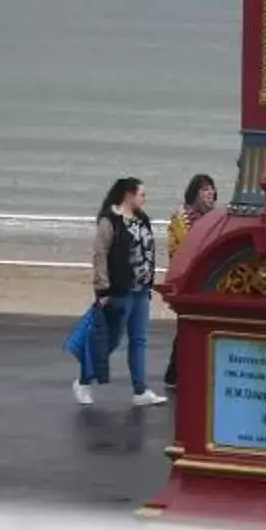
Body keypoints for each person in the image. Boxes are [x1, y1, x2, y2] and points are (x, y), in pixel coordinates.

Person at [77, 176, 165, 409]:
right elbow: (100, 255)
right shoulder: (110, 221)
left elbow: (147, 251)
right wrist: (102, 288)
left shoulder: (142, 220)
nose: (144, 198)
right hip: (119, 291)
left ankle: (140, 390)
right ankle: (84, 381)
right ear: (128, 195)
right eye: (141, 194)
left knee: (139, 340)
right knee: (110, 340)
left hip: (141, 290)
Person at [162, 172, 219, 390]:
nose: (210, 194)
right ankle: (174, 373)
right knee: (187, 326)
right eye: (205, 190)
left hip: (211, 279)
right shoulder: (181, 221)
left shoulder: (217, 219)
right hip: (188, 280)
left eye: (211, 189)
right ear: (194, 194)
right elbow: (176, 251)